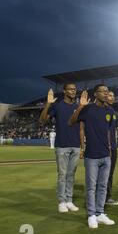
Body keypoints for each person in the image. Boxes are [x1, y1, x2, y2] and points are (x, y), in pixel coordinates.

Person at [69, 85, 115, 228]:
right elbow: (71, 122)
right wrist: (80, 107)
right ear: (95, 94)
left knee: (102, 186)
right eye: (103, 91)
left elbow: (109, 132)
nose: (106, 93)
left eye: (107, 91)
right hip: (92, 156)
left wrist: (110, 150)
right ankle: (91, 215)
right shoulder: (88, 109)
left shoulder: (110, 110)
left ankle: (100, 213)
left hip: (106, 155)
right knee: (91, 187)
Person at [39, 84, 81, 213]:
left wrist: (83, 146)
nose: (73, 91)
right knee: (62, 175)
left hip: (76, 145)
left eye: (74, 89)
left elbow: (82, 127)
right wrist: (48, 104)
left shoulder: (78, 107)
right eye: (70, 89)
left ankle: (69, 200)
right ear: (64, 91)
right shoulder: (57, 105)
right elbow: (42, 120)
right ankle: (62, 201)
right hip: (62, 145)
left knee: (71, 175)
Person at [105, 91, 118, 206]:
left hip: (113, 147)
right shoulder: (101, 110)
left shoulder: (113, 112)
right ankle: (100, 197)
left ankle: (107, 197)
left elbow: (113, 131)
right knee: (102, 174)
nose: (112, 97)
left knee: (110, 173)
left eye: (113, 96)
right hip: (105, 146)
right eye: (110, 95)